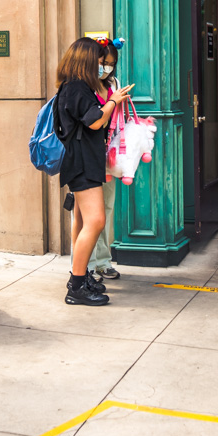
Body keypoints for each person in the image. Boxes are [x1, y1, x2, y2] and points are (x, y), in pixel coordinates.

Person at [56, 37, 132, 306]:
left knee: (85, 220)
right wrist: (113, 100)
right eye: (99, 61)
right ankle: (76, 286)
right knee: (96, 220)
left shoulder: (76, 87)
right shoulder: (76, 88)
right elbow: (95, 121)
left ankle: (80, 277)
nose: (103, 66)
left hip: (85, 159)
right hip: (82, 161)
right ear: (87, 61)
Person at [90, 38, 123, 280]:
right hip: (88, 155)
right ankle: (86, 265)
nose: (107, 68)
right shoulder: (83, 86)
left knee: (107, 209)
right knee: (87, 214)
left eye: (111, 64)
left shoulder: (114, 84)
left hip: (108, 154)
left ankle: (103, 260)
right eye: (104, 63)